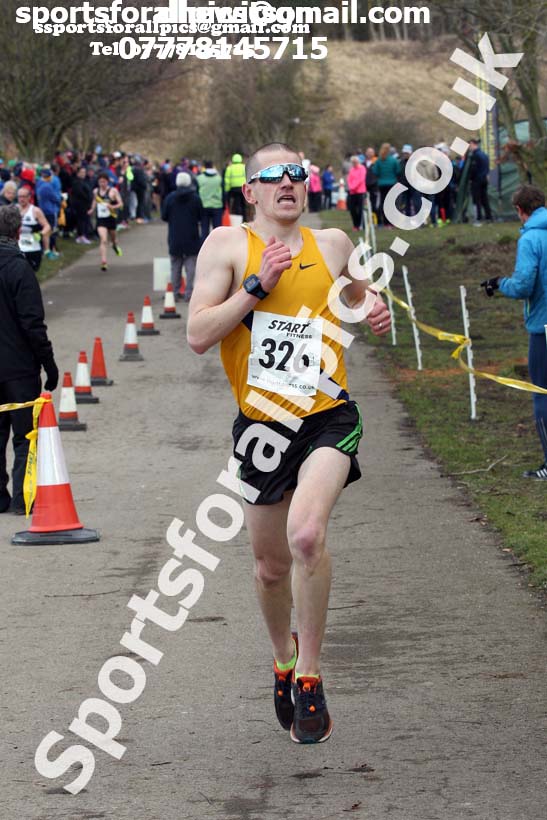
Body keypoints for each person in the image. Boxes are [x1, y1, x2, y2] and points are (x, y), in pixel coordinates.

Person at [187, 142, 391, 744]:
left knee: (307, 534)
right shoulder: (226, 246)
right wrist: (256, 285)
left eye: (297, 175)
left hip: (328, 416)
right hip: (261, 428)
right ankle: (282, 659)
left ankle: (309, 675)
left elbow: (354, 295)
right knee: (271, 566)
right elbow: (198, 334)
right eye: (273, 176)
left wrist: (371, 306)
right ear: (250, 191)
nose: (288, 183)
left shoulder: (331, 243)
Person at [481, 185, 547, 479]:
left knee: (541, 394)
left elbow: (523, 285)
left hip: (543, 328)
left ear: (520, 211)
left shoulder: (531, 238)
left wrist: (498, 284)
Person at [0, 205, 59, 514]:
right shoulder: (20, 269)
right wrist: (48, 363)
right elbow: (33, 324)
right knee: (26, 436)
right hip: (20, 369)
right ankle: (23, 499)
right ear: (18, 232)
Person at [161, 171, 202, 302]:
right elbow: (200, 216)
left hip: (175, 236)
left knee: (175, 266)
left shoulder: (170, 198)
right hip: (192, 236)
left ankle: (174, 292)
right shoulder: (195, 198)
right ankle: (189, 293)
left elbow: (164, 216)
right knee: (191, 267)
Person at [88, 172, 123, 271]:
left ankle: (115, 246)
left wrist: (112, 206)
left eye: (104, 182)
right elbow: (95, 201)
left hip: (111, 217)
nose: (102, 184)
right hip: (101, 219)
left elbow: (120, 203)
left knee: (113, 239)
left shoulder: (113, 191)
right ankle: (104, 262)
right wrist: (91, 209)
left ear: (107, 182)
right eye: (100, 182)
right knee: (103, 240)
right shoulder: (96, 191)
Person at [16, 186, 51, 273]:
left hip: (32, 249)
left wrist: (40, 234)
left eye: (24, 196)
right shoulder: (14, 209)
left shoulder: (35, 210)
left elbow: (47, 226)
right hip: (17, 249)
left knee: (30, 275)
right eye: (20, 196)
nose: (21, 199)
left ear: (29, 197)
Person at [36, 168, 61, 258]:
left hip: (42, 209)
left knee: (44, 230)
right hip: (50, 210)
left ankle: (45, 249)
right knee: (51, 230)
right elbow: (55, 198)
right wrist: (60, 200)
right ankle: (50, 250)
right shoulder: (47, 186)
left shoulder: (38, 183)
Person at [373, 143, 400, 227]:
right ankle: (392, 222)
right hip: (392, 184)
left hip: (381, 184)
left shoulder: (378, 161)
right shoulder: (393, 160)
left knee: (383, 203)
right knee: (392, 204)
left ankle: (384, 222)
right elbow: (398, 171)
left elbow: (375, 172)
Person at [197, 161, 224, 239]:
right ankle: (218, 247)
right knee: (217, 230)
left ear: (204, 167)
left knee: (204, 230)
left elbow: (196, 193)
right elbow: (223, 193)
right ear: (213, 166)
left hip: (204, 206)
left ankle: (204, 248)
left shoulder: (199, 178)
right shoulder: (219, 178)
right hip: (217, 206)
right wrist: (224, 205)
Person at [468, 138, 492, 224]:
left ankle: (478, 218)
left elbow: (473, 169)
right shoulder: (484, 155)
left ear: (473, 144)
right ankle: (489, 217)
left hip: (477, 180)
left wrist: (470, 178)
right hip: (484, 179)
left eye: (470, 145)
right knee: (484, 199)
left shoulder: (475, 155)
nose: (469, 147)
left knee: (476, 200)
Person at [224, 153, 247, 219]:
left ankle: (238, 218)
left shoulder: (229, 168)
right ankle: (244, 218)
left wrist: (227, 190)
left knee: (236, 204)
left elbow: (227, 180)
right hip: (243, 188)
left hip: (233, 189)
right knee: (243, 204)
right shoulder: (244, 167)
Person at [347, 155, 367, 231]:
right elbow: (349, 179)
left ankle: (361, 225)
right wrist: (351, 187)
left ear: (358, 162)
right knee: (352, 210)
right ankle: (355, 225)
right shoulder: (351, 169)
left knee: (360, 209)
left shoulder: (362, 168)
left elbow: (361, 180)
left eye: (355, 162)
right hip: (352, 192)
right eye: (353, 162)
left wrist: (353, 187)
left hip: (360, 192)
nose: (354, 163)